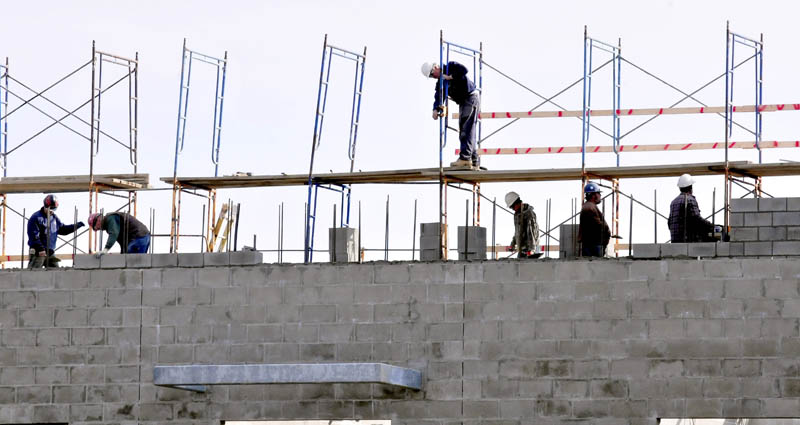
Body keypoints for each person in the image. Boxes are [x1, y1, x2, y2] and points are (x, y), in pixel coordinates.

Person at [421, 61, 481, 169]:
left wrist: (451, 77)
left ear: (435, 67)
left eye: (431, 74)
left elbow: (464, 69)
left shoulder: (451, 66)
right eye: (430, 76)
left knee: (466, 129)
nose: (432, 77)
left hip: (470, 97)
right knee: (466, 129)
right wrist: (435, 109)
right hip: (463, 101)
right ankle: (474, 160)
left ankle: (465, 159)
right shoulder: (441, 81)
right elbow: (439, 96)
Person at [27, 194, 84, 269]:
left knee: (56, 272)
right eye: (50, 209)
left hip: (50, 252)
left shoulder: (54, 218)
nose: (51, 211)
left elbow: (63, 229)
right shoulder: (36, 218)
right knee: (34, 274)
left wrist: (76, 226)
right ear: (45, 206)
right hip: (38, 253)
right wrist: (40, 248)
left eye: (54, 209)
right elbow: (33, 236)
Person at [668, 173, 715, 243]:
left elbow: (669, 223)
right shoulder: (690, 199)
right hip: (688, 241)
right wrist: (711, 226)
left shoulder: (673, 202)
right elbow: (697, 219)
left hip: (675, 241)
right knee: (713, 239)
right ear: (691, 187)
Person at [579, 182, 611, 257]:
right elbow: (598, 225)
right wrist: (607, 232)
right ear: (594, 195)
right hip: (594, 244)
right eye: (598, 193)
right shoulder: (590, 208)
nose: (600, 195)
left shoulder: (588, 206)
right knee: (596, 266)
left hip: (590, 243)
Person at [505, 191, 540, 259]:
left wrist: (531, 250)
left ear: (516, 203)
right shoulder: (517, 215)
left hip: (530, 249)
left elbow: (532, 232)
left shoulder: (528, 214)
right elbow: (518, 232)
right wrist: (513, 244)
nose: (512, 209)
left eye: (512, 207)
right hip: (523, 249)